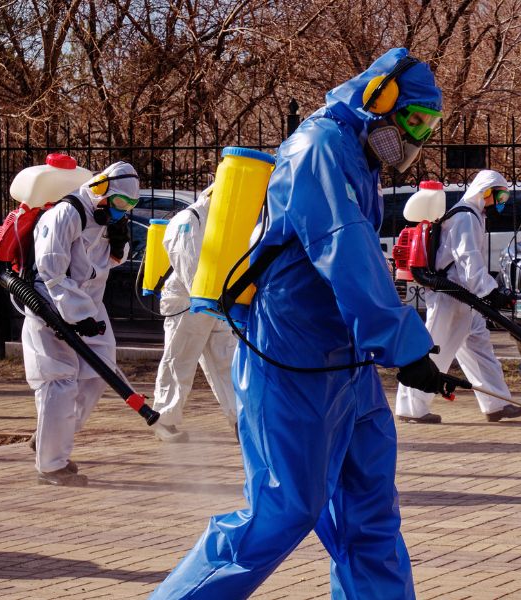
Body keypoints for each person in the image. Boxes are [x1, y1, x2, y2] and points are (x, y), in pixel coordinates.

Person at [151, 47, 447, 599]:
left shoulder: (356, 155)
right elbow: (345, 248)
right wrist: (401, 343)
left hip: (346, 363)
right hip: (291, 359)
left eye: (427, 126)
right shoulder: (320, 146)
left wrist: (389, 345)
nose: (416, 137)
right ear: (377, 99)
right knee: (282, 510)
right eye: (412, 120)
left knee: (369, 514)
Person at [23, 160, 140, 486]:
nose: (122, 211)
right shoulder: (65, 214)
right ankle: (51, 465)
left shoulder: (105, 221)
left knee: (99, 372)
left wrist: (119, 240)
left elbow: (101, 267)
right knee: (59, 382)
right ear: (101, 190)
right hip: (49, 307)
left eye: (129, 206)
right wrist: (78, 317)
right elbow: (51, 273)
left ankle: (49, 437)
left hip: (89, 306)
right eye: (119, 203)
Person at [396, 170, 521, 424]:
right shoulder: (466, 216)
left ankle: (496, 403)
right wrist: (490, 292)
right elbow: (469, 260)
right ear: (486, 191)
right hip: (451, 296)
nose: (501, 201)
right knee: (436, 350)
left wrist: (486, 293)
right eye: (499, 195)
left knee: (479, 348)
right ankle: (411, 407)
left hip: (464, 297)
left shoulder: (474, 214)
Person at [151, 186, 238, 443]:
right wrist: (209, 298)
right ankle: (164, 419)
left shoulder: (219, 221)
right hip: (187, 304)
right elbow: (188, 265)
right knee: (179, 361)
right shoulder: (189, 220)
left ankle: (239, 419)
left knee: (227, 361)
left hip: (214, 302)